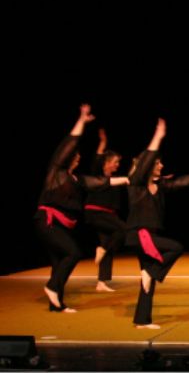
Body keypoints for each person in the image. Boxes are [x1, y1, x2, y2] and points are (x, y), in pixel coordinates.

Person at [34, 105, 130, 312]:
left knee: (59, 261)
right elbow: (71, 141)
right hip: (48, 220)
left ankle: (56, 304)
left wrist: (126, 179)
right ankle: (52, 287)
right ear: (68, 157)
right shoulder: (56, 172)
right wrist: (82, 121)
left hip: (62, 224)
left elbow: (101, 182)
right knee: (73, 253)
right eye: (75, 156)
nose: (78, 158)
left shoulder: (77, 179)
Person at [126, 118, 189, 329]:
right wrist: (158, 136)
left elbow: (180, 183)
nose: (161, 165)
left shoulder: (160, 186)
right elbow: (146, 158)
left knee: (147, 279)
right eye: (158, 163)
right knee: (176, 248)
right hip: (138, 235)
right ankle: (152, 273)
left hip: (150, 236)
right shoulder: (136, 184)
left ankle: (142, 320)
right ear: (148, 166)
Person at [84, 127, 127, 292]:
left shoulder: (115, 179)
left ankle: (101, 282)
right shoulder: (98, 174)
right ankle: (102, 249)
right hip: (96, 212)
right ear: (106, 163)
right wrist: (103, 142)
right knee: (123, 230)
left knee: (107, 243)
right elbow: (97, 158)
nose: (117, 165)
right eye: (115, 162)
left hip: (107, 215)